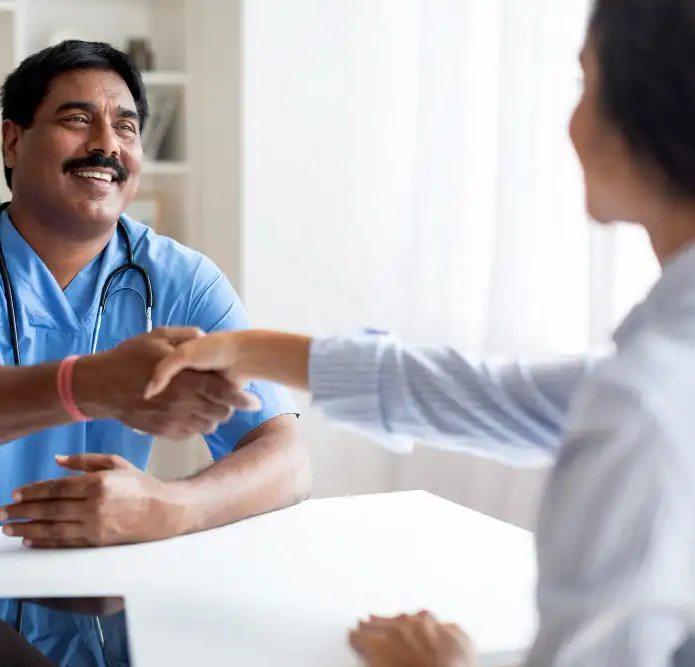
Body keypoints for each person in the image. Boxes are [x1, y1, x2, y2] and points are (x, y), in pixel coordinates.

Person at [145, 0, 695, 664]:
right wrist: (251, 348)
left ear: (649, 106)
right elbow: (492, 394)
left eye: (586, 85)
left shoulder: (645, 402)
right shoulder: (654, 373)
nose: (572, 124)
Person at [0, 39, 308, 666]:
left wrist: (169, 506)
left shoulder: (182, 279)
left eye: (126, 126)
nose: (107, 144)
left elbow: (285, 458)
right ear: (12, 141)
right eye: (75, 119)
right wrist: (91, 384)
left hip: (91, 618)